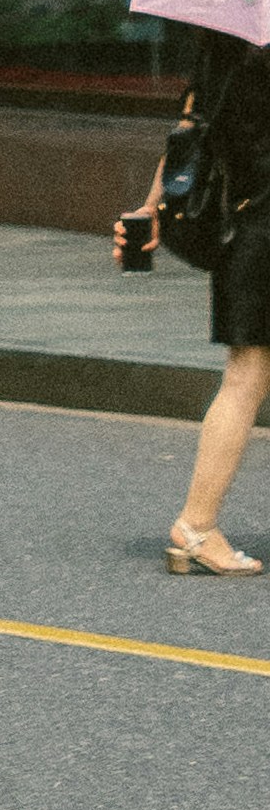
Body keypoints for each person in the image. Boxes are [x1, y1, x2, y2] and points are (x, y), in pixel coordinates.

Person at [138, 29, 270, 575]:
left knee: (243, 376)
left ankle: (196, 524)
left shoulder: (226, 44)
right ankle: (196, 524)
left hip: (245, 229)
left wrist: (150, 210)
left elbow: (186, 136)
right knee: (246, 377)